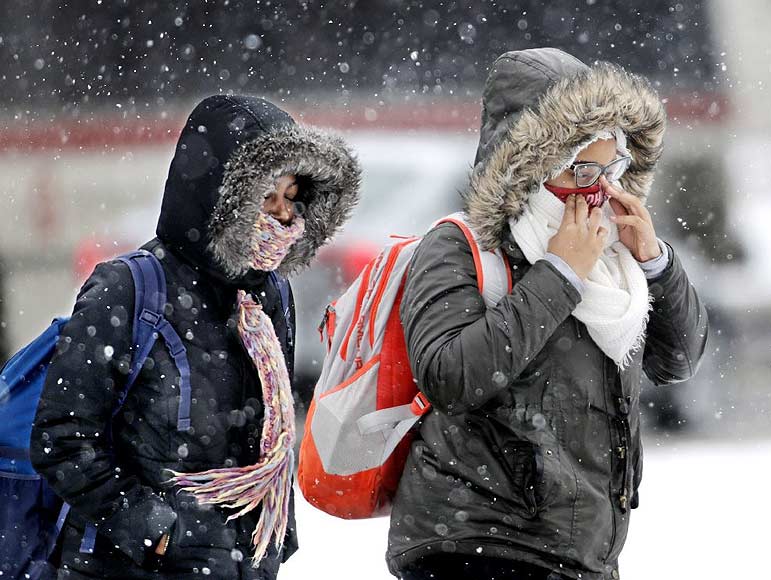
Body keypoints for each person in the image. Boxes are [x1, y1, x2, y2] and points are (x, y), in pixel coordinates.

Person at [387, 48, 708, 580]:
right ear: (532, 169)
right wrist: (560, 273)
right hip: (477, 548)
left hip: (584, 556)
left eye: (613, 168)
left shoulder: (611, 259)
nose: (600, 190)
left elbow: (678, 360)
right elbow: (450, 377)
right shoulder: (460, 245)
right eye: (583, 168)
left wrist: (654, 263)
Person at [30, 95, 360, 579]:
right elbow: (62, 436)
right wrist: (154, 529)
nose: (285, 215)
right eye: (268, 196)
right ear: (222, 193)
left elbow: (267, 434)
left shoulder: (269, 297)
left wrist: (274, 533)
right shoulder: (130, 289)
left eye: (292, 198)